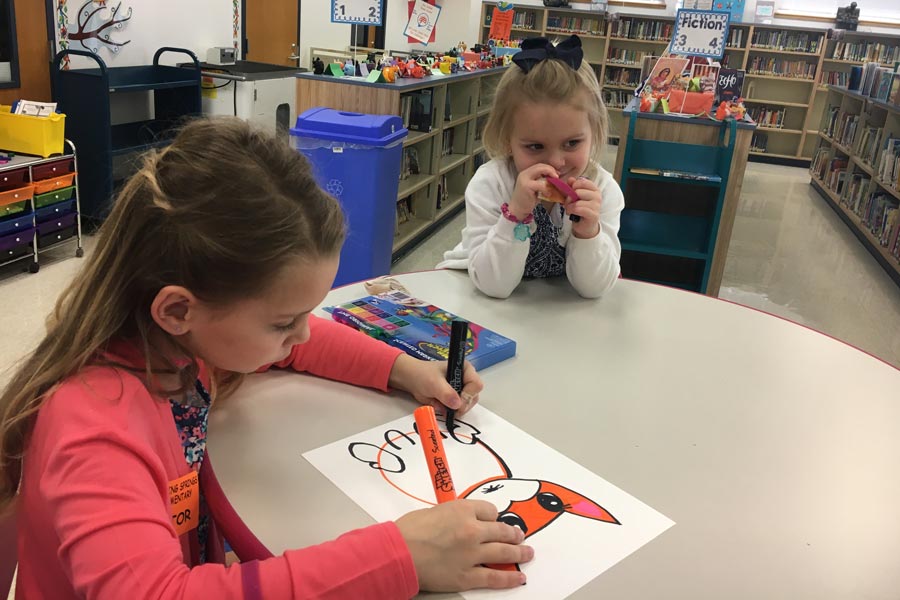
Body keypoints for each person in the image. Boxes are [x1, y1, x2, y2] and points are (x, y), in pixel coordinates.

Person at [0, 118, 533, 598]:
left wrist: (406, 369)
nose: (302, 335)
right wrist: (401, 557)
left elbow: (306, 343)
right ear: (178, 309)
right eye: (283, 322)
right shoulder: (93, 429)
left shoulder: (179, 341)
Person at [438, 35, 624, 299]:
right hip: (479, 296)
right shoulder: (492, 184)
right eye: (535, 147)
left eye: (572, 143)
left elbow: (594, 289)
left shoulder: (602, 190)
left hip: (553, 310)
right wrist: (514, 214)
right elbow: (493, 287)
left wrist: (588, 233)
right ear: (507, 139)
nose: (556, 163)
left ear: (594, 131)